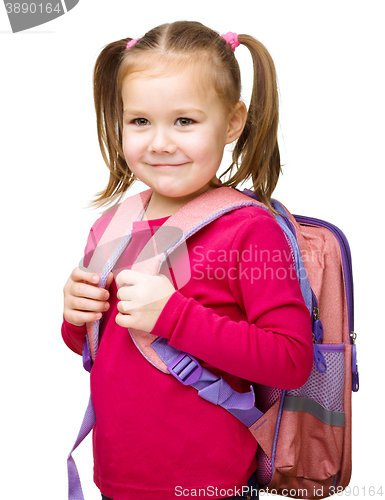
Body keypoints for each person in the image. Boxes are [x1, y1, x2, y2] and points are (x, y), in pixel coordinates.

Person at [62, 21, 313, 500]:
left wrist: (175, 316)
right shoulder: (113, 225)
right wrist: (76, 319)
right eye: (140, 121)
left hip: (209, 487)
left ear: (233, 122)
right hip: (117, 479)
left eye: (185, 121)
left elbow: (291, 360)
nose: (159, 142)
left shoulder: (250, 230)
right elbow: (104, 350)